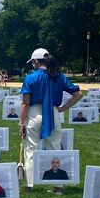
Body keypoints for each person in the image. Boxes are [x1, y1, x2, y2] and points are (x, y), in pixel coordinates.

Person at [20, 48, 82, 189]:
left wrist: (21, 123)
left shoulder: (30, 77)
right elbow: (78, 94)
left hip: (35, 113)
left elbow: (25, 103)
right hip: (53, 113)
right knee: (54, 147)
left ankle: (30, 185)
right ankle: (58, 185)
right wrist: (61, 109)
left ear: (35, 61)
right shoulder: (59, 76)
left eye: (32, 62)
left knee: (30, 150)